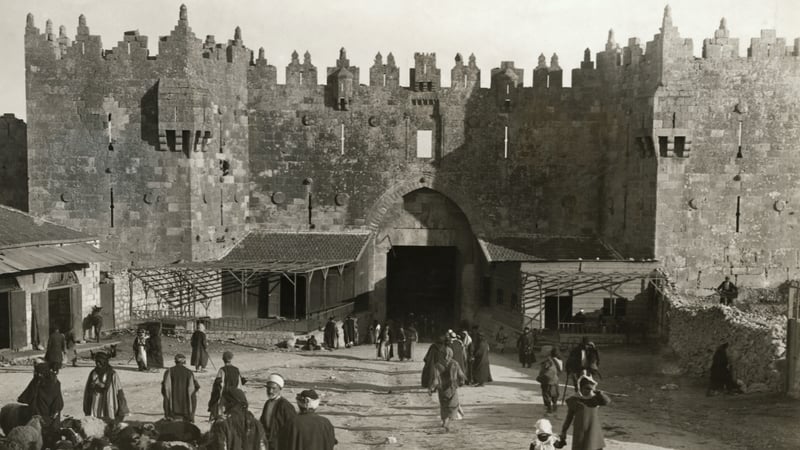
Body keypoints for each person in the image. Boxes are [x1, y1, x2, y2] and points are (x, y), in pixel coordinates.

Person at [560, 374, 611, 450]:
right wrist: (564, 430)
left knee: (594, 445)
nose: (589, 391)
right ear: (580, 388)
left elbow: (606, 402)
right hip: (580, 431)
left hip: (593, 429)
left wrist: (599, 393)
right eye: (586, 388)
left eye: (591, 389)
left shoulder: (595, 399)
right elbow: (569, 417)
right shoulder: (574, 400)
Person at [428, 343, 466, 431]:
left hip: (442, 389)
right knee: (453, 405)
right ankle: (448, 422)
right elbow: (461, 375)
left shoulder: (437, 365)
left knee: (443, 406)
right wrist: (461, 382)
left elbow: (435, 380)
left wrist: (431, 388)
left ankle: (445, 421)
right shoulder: (455, 363)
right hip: (452, 388)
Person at [83, 351, 128, 422]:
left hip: (109, 401)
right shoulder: (93, 373)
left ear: (104, 362)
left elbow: (119, 391)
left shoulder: (112, 374)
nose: (98, 364)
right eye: (96, 361)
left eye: (100, 361)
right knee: (95, 421)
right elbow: (88, 390)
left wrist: (122, 409)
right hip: (96, 401)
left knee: (108, 422)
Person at [18, 362, 64, 429]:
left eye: (39, 373)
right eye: (36, 373)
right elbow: (28, 394)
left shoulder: (50, 383)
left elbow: (57, 400)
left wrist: (55, 411)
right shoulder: (38, 381)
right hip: (42, 415)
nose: (38, 374)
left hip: (46, 416)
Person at [259, 373, 297, 450]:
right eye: (268, 388)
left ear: (280, 389)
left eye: (273, 388)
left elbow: (293, 428)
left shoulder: (286, 406)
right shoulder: (267, 403)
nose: (270, 391)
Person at [209, 351, 247, 420]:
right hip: (235, 395)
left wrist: (214, 400)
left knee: (222, 415)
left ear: (223, 359)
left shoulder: (222, 370)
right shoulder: (236, 370)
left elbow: (218, 385)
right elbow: (240, 383)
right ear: (232, 359)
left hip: (225, 395)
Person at [162, 353, 200, 422]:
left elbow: (165, 390)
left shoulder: (169, 372)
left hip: (172, 410)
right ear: (184, 362)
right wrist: (192, 415)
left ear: (175, 361)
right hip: (186, 411)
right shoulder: (189, 373)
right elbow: (194, 390)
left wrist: (167, 413)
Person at [538, 347, 564, 413]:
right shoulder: (560, 361)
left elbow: (544, 369)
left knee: (546, 393)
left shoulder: (549, 361)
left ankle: (549, 406)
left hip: (547, 380)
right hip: (555, 379)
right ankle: (554, 404)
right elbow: (560, 371)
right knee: (554, 393)